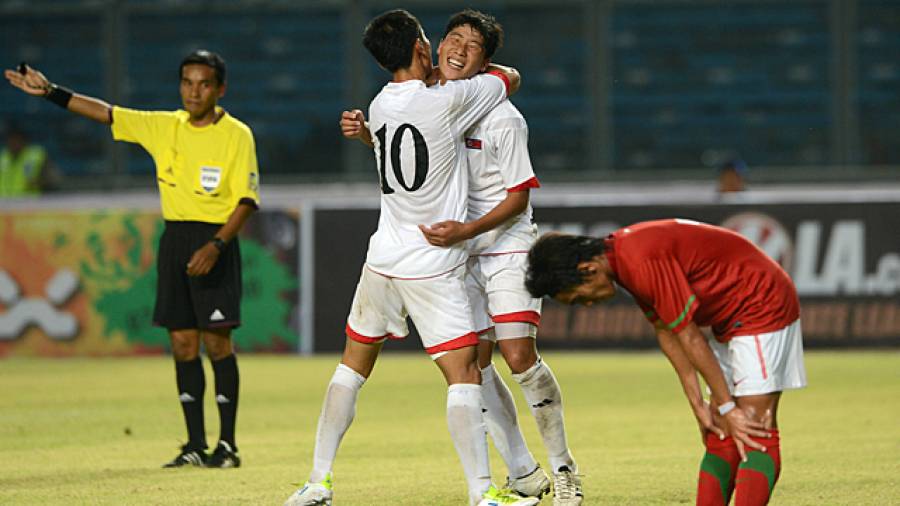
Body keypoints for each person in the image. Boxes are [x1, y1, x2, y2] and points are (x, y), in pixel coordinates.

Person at [284, 9, 535, 506]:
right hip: (432, 261)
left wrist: (364, 133)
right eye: (433, 39)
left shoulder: (379, 106)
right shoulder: (449, 100)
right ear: (422, 48)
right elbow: (508, 77)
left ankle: (318, 481)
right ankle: (484, 495)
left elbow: (395, 146)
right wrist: (458, 73)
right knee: (465, 374)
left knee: (351, 368)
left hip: (381, 259)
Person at [340, 9, 581, 505]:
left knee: (518, 356)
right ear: (434, 43)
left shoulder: (503, 117)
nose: (458, 49)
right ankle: (524, 473)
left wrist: (466, 229)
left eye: (472, 46)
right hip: (458, 249)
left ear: (486, 62)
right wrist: (370, 135)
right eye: (452, 38)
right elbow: (410, 162)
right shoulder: (430, 101)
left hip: (506, 243)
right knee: (474, 364)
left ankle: (565, 469)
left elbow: (517, 198)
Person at [4, 50, 260, 469]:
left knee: (217, 341)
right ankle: (195, 445)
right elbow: (106, 114)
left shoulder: (237, 135)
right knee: (181, 342)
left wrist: (216, 246)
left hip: (215, 239)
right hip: (175, 238)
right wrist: (50, 92)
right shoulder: (164, 126)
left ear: (220, 89)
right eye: (187, 83)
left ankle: (227, 445)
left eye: (203, 84)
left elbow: (247, 200)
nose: (194, 92)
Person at [525, 219, 807, 506]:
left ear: (588, 270)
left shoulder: (638, 260)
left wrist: (727, 404)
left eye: (577, 299)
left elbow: (690, 336)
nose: (585, 305)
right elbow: (665, 329)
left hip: (761, 301)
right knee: (719, 430)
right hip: (730, 314)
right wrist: (698, 402)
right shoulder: (621, 259)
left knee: (754, 427)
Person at [0, 123, 59, 196]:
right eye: (10, 140)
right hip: (4, 204)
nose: (13, 143)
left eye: (16, 140)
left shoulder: (36, 156)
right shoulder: (2, 157)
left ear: (24, 141)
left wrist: (39, 182)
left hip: (30, 204)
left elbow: (54, 179)